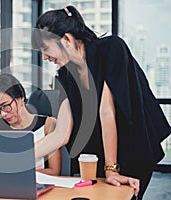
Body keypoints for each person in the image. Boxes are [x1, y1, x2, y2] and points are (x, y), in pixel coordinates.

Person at [31, 5, 171, 199]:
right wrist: (20, 158)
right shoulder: (63, 77)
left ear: (65, 39)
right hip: (97, 155)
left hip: (132, 147)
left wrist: (111, 169)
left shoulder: (111, 48)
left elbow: (107, 112)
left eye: (45, 49)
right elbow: (61, 133)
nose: (45, 57)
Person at [0, 73, 62, 176]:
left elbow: (54, 171)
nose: (3, 114)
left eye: (6, 106)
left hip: (36, 186)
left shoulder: (48, 124)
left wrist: (18, 174)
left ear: (21, 98)